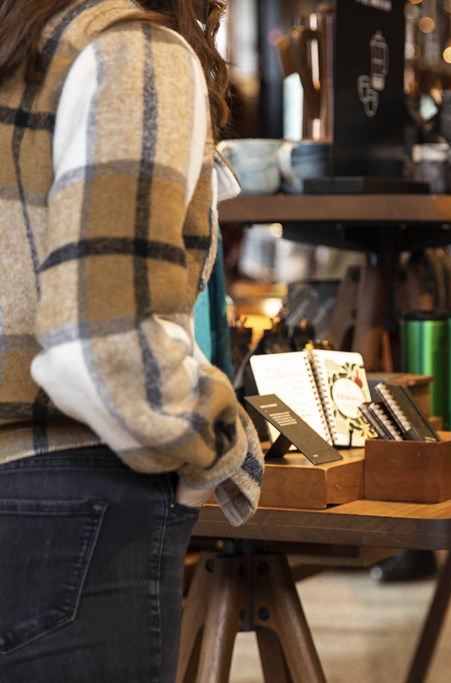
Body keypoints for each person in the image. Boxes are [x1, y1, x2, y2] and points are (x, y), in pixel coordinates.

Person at [0, 0, 263, 680]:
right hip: (75, 506)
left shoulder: (20, 45)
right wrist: (218, 449)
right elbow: (107, 335)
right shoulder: (134, 49)